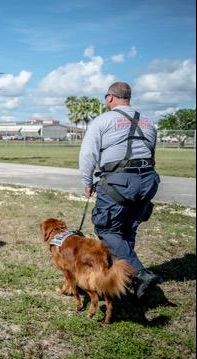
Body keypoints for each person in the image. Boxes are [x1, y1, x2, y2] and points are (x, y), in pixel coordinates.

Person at [79, 81, 162, 299]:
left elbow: (88, 155)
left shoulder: (103, 120)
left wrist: (87, 182)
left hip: (119, 183)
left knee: (107, 230)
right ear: (129, 98)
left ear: (110, 98)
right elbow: (150, 154)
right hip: (148, 180)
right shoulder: (148, 122)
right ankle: (124, 281)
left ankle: (140, 274)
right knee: (126, 231)